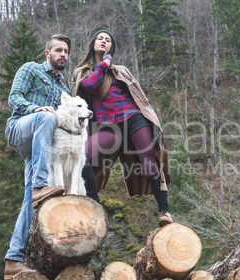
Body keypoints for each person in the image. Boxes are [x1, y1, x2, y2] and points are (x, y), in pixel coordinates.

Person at [71, 30, 173, 227]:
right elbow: (90, 86)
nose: (104, 41)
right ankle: (95, 205)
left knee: (149, 160)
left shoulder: (121, 70)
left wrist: (110, 66)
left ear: (111, 48)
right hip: (108, 127)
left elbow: (138, 96)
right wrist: (104, 65)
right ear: (93, 43)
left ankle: (165, 212)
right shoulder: (83, 72)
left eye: (108, 40)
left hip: (134, 119)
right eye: (100, 38)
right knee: (80, 154)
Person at [4, 34, 71, 279]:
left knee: (29, 203)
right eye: (58, 50)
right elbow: (14, 97)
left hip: (39, 148)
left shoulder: (64, 88)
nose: (63, 54)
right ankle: (39, 186)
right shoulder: (31, 69)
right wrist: (35, 108)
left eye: (65, 51)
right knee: (47, 116)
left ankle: (13, 259)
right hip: (20, 128)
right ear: (47, 53)